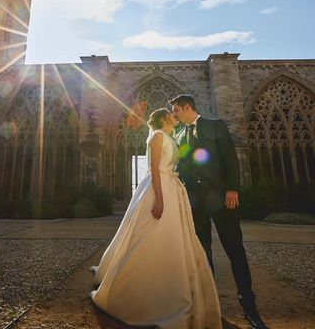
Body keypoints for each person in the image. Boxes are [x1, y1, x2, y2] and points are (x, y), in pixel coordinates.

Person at [90, 108, 222, 329]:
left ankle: (169, 281)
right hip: (160, 189)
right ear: (163, 119)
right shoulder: (158, 135)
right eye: (171, 115)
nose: (175, 116)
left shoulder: (169, 136)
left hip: (172, 187)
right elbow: (154, 168)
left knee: (171, 238)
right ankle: (139, 289)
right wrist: (159, 198)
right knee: (153, 234)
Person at [170, 94, 269, 329]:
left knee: (235, 250)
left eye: (176, 110)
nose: (175, 114)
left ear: (187, 108)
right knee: (204, 253)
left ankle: (250, 309)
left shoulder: (215, 125)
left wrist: (233, 188)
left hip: (223, 199)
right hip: (197, 203)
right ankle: (210, 306)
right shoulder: (180, 133)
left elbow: (230, 159)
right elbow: (182, 166)